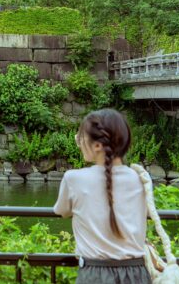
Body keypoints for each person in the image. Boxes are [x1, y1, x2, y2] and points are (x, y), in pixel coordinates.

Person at [54, 108, 151, 283]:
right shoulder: (140, 178)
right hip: (137, 273)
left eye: (80, 138)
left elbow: (62, 211)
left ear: (98, 145)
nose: (78, 143)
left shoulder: (74, 179)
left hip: (95, 274)